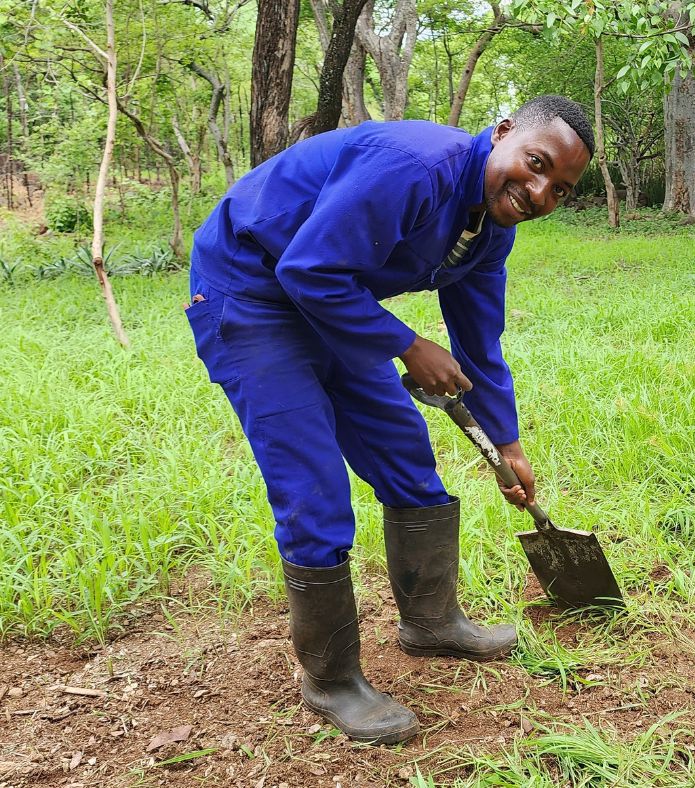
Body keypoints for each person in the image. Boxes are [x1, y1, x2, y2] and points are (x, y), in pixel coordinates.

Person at [185, 95, 593, 744]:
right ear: (503, 133)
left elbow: (479, 349)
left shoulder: (490, 231)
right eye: (535, 164)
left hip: (331, 300)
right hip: (252, 286)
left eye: (560, 189)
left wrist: (508, 447)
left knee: (406, 454)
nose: (539, 191)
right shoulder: (413, 166)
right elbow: (306, 268)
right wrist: (406, 345)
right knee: (314, 486)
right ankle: (331, 680)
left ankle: (431, 622)